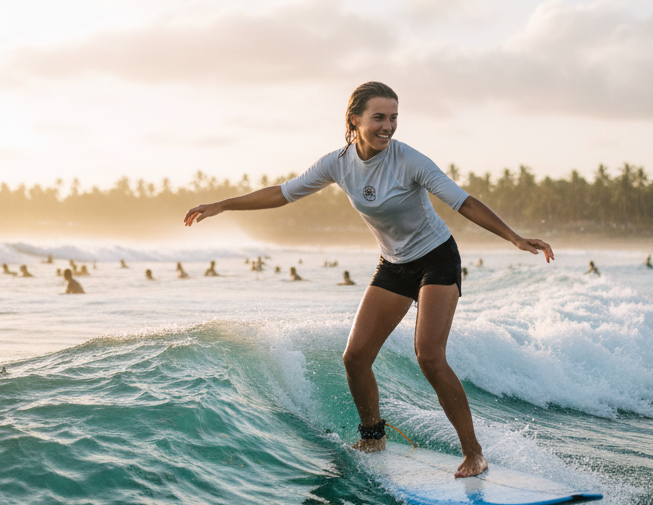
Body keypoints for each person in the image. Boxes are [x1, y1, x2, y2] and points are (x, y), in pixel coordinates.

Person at [184, 80, 553, 479]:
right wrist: (222, 205)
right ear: (355, 120)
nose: (388, 127)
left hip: (436, 258)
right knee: (355, 357)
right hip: (394, 264)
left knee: (429, 356)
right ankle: (373, 436)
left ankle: (474, 453)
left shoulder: (410, 160)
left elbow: (462, 201)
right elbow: (283, 193)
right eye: (379, 118)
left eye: (394, 118)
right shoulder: (337, 163)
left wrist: (513, 237)